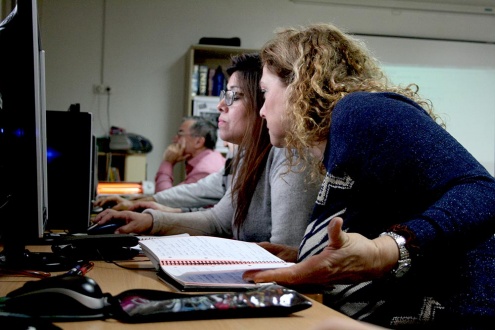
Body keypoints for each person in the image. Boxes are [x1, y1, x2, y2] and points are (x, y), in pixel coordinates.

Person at [242, 23, 495, 329]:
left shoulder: (358, 111)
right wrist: (305, 255)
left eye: (266, 92)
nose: (262, 111)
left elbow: (483, 192)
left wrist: (383, 251)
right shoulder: (340, 140)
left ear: (299, 83)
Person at [93, 53, 319, 247]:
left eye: (235, 96)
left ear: (264, 101)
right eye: (225, 94)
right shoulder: (244, 157)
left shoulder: (291, 155)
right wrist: (150, 220)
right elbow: (218, 221)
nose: (220, 105)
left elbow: (284, 253)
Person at [154, 115, 226, 191]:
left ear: (198, 142)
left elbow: (164, 198)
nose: (174, 139)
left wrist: (168, 162)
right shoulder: (214, 158)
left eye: (180, 134)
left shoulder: (204, 171)